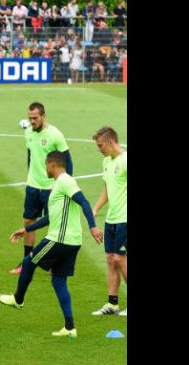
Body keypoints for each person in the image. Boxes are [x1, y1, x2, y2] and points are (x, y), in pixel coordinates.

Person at [0, 151, 103, 338]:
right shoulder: (60, 186)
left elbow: (84, 202)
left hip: (59, 239)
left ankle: (18, 299)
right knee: (58, 280)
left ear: (52, 164)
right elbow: (50, 218)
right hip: (72, 241)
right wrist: (26, 229)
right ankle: (70, 328)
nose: (45, 169)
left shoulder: (65, 181)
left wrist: (92, 227)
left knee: (28, 263)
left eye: (46, 165)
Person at [8, 102, 73, 275]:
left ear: (44, 116)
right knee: (29, 222)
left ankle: (54, 263)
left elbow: (68, 160)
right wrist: (31, 175)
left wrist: (67, 185)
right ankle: (25, 262)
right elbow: (31, 155)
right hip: (32, 186)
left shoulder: (55, 135)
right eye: (30, 118)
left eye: (35, 118)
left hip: (51, 188)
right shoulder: (28, 132)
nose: (32, 121)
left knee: (55, 225)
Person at [90, 126, 127, 316]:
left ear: (111, 142)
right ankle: (112, 304)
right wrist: (96, 208)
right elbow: (107, 189)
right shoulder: (106, 162)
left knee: (122, 260)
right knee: (111, 260)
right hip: (112, 219)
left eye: (101, 145)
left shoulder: (126, 160)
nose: (99, 149)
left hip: (125, 220)